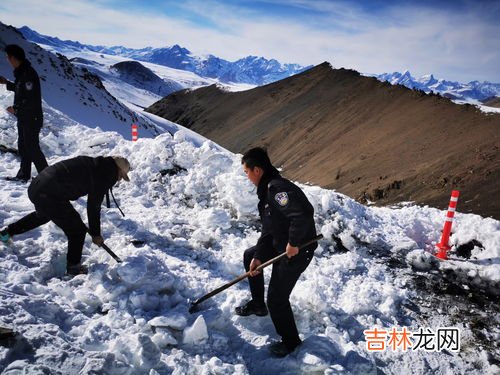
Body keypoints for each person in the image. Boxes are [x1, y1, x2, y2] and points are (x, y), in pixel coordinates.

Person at [235, 147, 318, 357]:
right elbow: (268, 229)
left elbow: (303, 214)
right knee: (249, 255)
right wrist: (259, 256)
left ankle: (291, 342)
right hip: (281, 242)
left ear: (258, 170)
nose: (246, 176)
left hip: (298, 250)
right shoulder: (267, 190)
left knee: (277, 299)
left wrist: (294, 243)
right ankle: (257, 305)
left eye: (246, 172)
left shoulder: (277, 189)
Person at [0, 156, 131, 276]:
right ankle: (74, 268)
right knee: (77, 230)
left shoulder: (94, 163)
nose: (119, 179)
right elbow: (93, 207)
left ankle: (6, 233)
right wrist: (96, 234)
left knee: (44, 214)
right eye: (121, 176)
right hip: (49, 193)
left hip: (37, 186)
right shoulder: (105, 175)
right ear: (118, 170)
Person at [0, 44, 48, 182]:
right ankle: (24, 175)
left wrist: (16, 108)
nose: (8, 60)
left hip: (31, 117)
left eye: (8, 57)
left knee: (32, 147)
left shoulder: (27, 74)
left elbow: (30, 98)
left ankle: (47, 178)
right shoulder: (22, 72)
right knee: (24, 146)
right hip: (25, 116)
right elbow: (20, 89)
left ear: (14, 58)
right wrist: (6, 83)